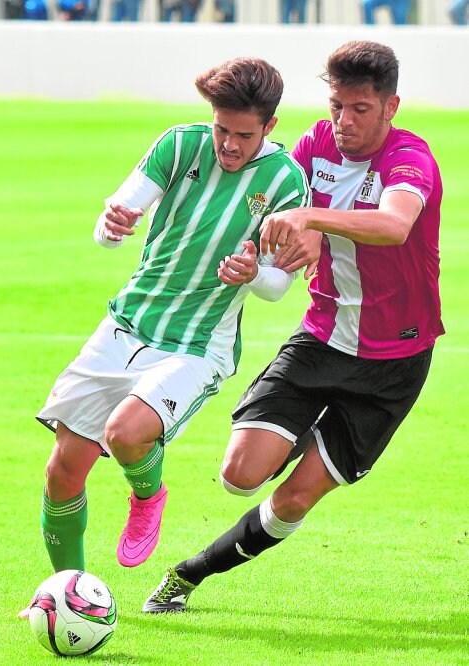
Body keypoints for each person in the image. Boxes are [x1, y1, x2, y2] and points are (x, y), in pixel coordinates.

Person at [143, 39, 444, 614]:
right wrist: (258, 256)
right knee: (238, 475)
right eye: (336, 105)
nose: (344, 120)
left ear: (391, 107)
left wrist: (309, 217)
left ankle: (190, 575)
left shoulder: (410, 159)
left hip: (395, 363)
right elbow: (272, 202)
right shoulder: (313, 146)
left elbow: (394, 223)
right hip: (321, 337)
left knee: (295, 498)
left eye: (360, 109)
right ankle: (308, 433)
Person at [18, 57, 317, 617]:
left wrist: (253, 273)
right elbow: (115, 223)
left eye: (243, 134)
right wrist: (111, 226)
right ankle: (73, 598)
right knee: (63, 470)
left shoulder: (285, 182)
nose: (229, 144)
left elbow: (278, 286)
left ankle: (148, 494)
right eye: (221, 128)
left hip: (196, 344)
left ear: (270, 127)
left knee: (127, 432)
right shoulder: (178, 146)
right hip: (125, 325)